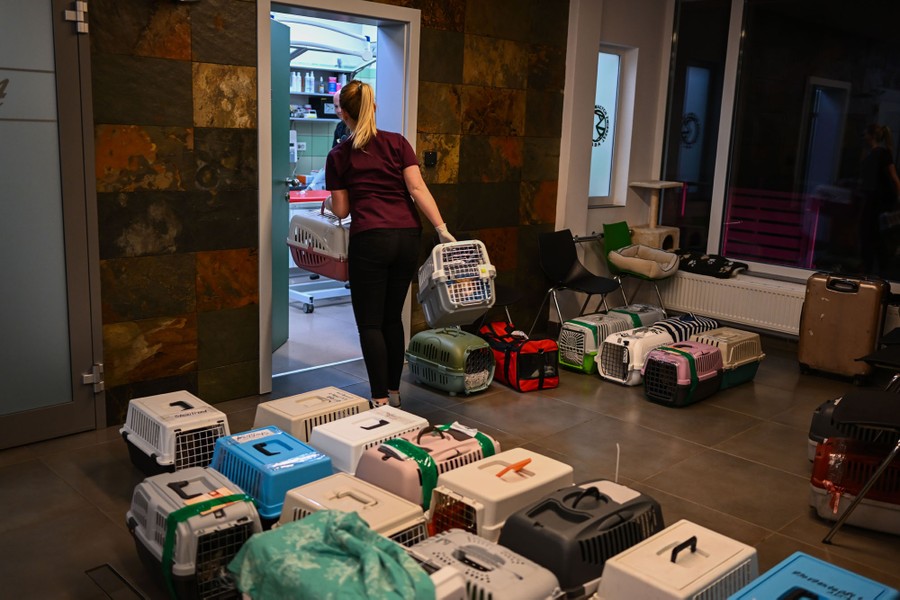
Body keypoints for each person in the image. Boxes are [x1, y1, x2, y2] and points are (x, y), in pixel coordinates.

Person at [325, 80, 455, 408]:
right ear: (374, 107)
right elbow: (418, 189)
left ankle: (379, 400)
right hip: (408, 236)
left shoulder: (339, 154)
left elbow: (342, 210)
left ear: (343, 113)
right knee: (392, 319)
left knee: (370, 323)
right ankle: (395, 394)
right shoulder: (398, 143)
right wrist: (441, 228)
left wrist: (326, 204)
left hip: (370, 239)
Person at [858, 123, 900, 273]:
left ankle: (878, 267)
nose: (863, 136)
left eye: (865, 134)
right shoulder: (872, 153)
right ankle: (872, 266)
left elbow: (894, 178)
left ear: (871, 135)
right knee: (870, 233)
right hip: (871, 197)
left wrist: (897, 199)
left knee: (872, 233)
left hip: (877, 199)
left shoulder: (882, 154)